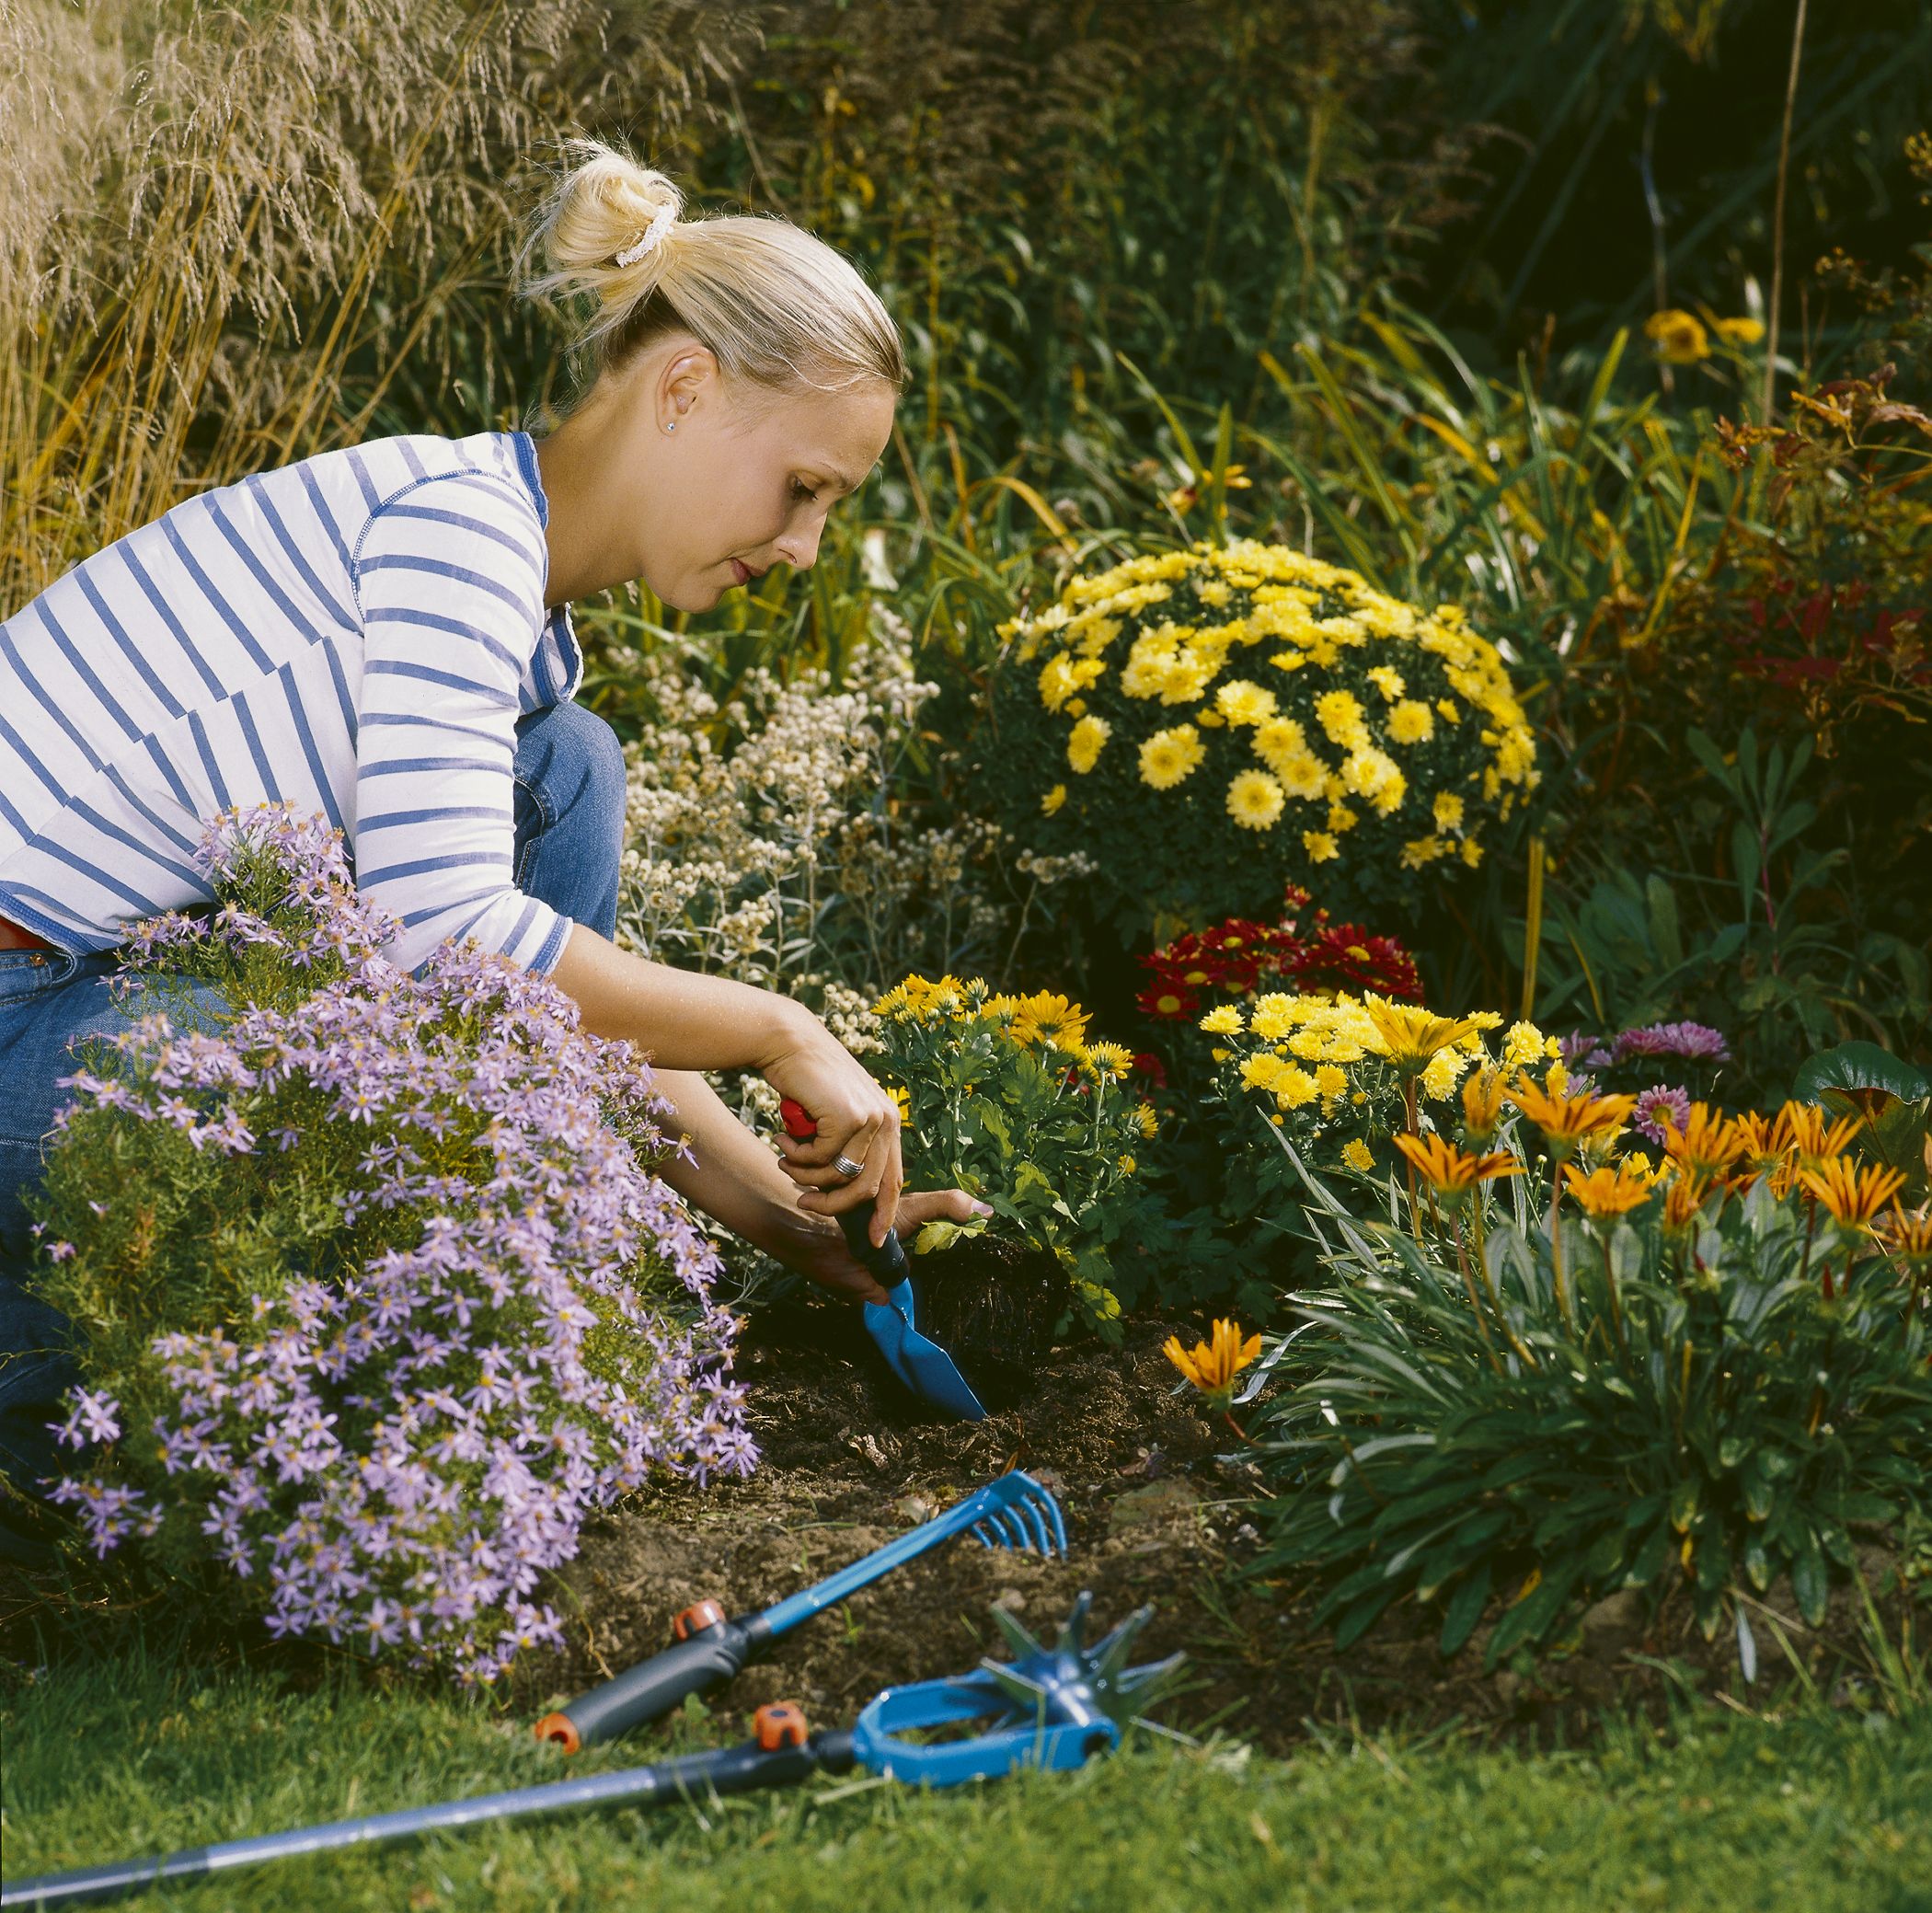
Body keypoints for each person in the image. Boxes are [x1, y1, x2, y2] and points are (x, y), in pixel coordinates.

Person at [0, 140, 986, 1544]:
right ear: (686, 389)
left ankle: (140, 1392)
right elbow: (448, 942)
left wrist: (775, 1213)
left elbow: (520, 1006)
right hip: (18, 1008)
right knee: (408, 1054)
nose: (806, 548)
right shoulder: (454, 535)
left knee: (559, 778)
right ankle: (64, 1401)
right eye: (804, 489)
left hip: (73, 1000)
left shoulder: (514, 612)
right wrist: (779, 1030)